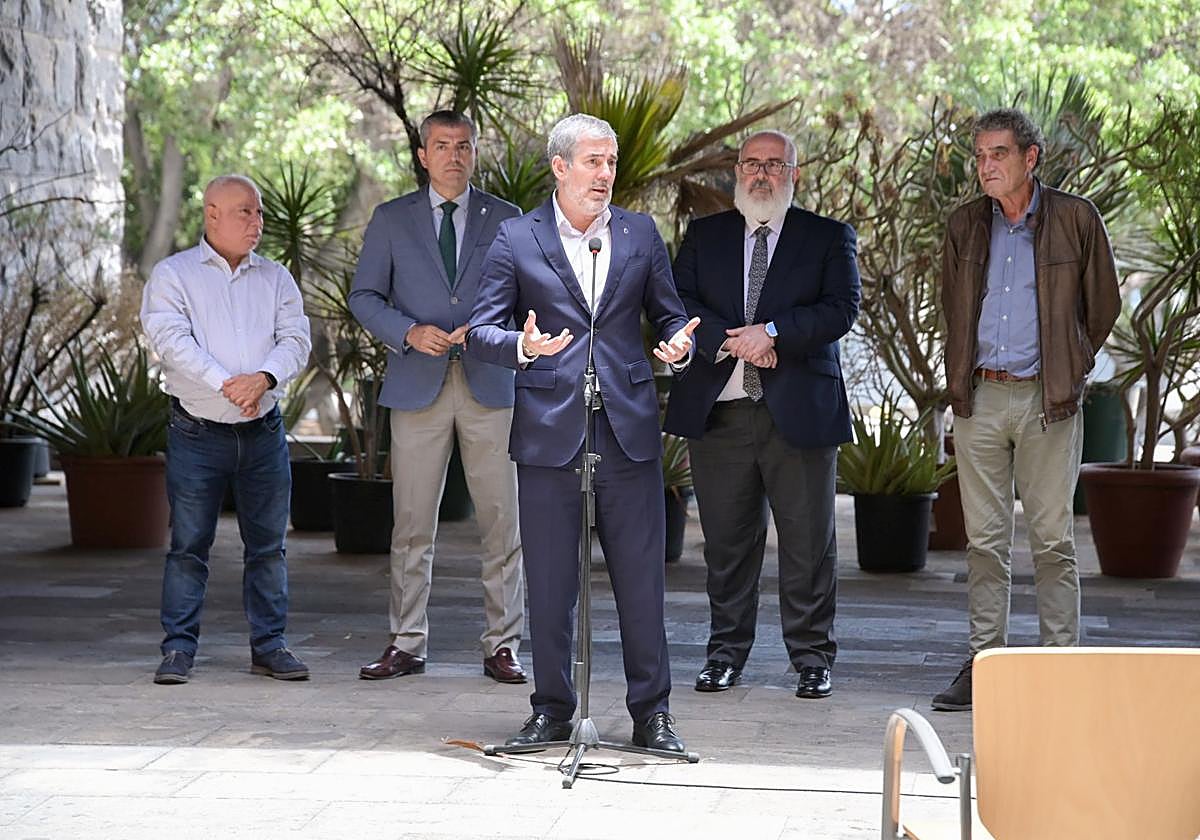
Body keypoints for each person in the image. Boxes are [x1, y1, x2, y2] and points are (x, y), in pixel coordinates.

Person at [467, 113, 698, 752]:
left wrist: (677, 346)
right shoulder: (516, 238)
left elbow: (670, 316)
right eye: (593, 162)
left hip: (626, 426)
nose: (605, 175)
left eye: (611, 163)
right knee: (548, 581)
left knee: (641, 579)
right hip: (548, 430)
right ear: (560, 167)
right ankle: (551, 710)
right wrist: (523, 344)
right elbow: (481, 334)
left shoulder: (640, 234)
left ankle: (652, 715)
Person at [932, 108, 1120, 711]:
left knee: (1051, 540)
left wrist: (1071, 362)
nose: (985, 166)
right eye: (980, 155)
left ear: (1030, 157)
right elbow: (951, 306)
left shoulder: (1075, 218)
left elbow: (1103, 306)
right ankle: (985, 665)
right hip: (980, 398)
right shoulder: (965, 225)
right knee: (984, 542)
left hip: (1048, 399)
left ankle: (1059, 667)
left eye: (998, 155)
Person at [664, 130, 860, 700]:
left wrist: (773, 333)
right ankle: (725, 654)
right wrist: (738, 342)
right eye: (752, 163)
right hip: (720, 411)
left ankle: (812, 659)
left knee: (808, 543)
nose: (762, 174)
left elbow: (840, 308)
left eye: (776, 165)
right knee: (726, 544)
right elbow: (677, 302)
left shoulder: (828, 237)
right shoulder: (705, 236)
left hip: (798, 413)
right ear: (737, 173)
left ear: (794, 174)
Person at [349, 110, 527, 684]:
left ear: (476, 153)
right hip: (417, 382)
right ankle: (406, 643)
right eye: (442, 145)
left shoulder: (507, 218)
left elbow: (527, 294)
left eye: (464, 146)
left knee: (503, 522)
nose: (454, 155)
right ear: (422, 155)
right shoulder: (390, 218)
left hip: (490, 383)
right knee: (411, 523)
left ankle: (503, 645)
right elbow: (365, 296)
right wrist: (407, 331)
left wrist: (487, 330)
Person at [141, 174, 313, 685]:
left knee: (268, 547)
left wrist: (263, 379)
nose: (257, 222)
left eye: (259, 213)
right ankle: (177, 651)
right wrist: (227, 383)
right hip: (196, 432)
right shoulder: (173, 276)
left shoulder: (277, 278)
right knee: (189, 547)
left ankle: (270, 646)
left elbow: (297, 340)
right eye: (246, 212)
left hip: (263, 433)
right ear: (211, 214)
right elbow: (171, 341)